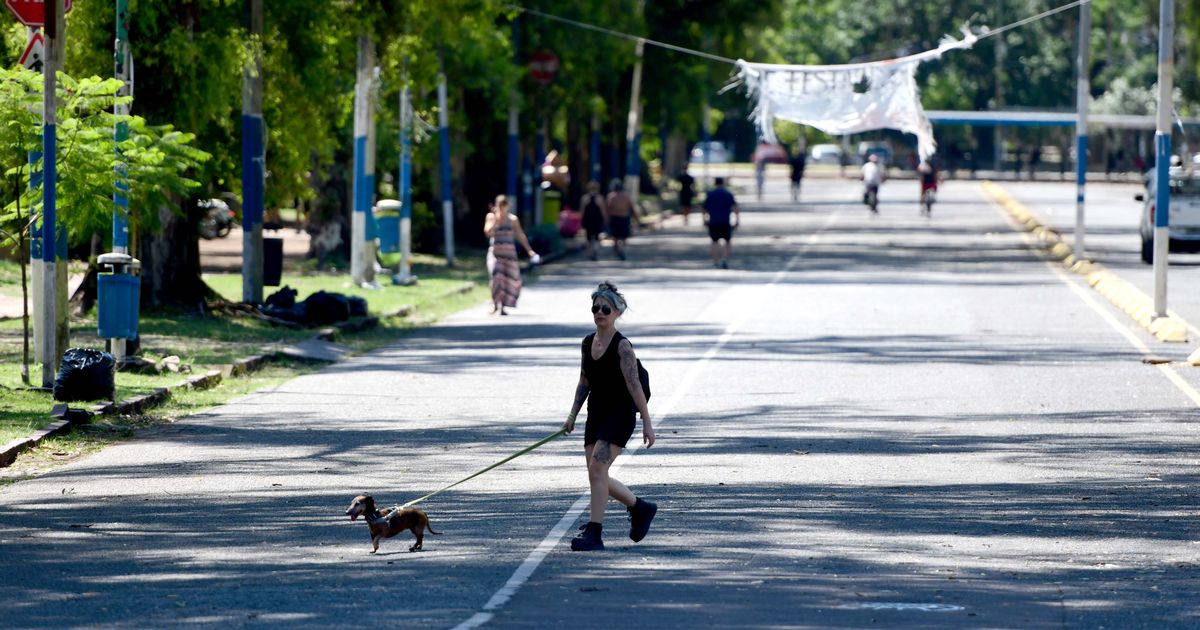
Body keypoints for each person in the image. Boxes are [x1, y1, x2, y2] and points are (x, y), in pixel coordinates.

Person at [562, 281, 656, 551]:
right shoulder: (587, 343)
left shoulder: (622, 346)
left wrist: (647, 423)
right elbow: (584, 381)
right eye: (596, 308)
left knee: (597, 470)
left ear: (617, 312)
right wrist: (572, 416)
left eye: (606, 309)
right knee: (596, 474)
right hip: (596, 411)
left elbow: (635, 385)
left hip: (620, 413)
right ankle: (640, 507)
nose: (600, 313)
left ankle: (595, 533)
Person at [483, 195, 537, 315]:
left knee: (508, 280)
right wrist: (496, 220)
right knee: (496, 278)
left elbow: (520, 235)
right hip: (495, 254)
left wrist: (529, 250)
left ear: (508, 206)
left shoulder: (513, 219)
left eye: (504, 206)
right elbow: (487, 232)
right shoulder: (491, 217)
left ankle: (503, 306)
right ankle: (494, 303)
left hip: (510, 255)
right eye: (500, 206)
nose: (502, 209)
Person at [703, 176, 740, 269]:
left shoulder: (710, 194)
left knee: (714, 241)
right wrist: (737, 220)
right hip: (725, 221)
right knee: (727, 241)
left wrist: (704, 220)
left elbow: (704, 209)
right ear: (723, 183)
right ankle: (725, 259)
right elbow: (735, 208)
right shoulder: (728, 194)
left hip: (713, 221)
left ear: (715, 183)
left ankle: (716, 261)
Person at [605, 179, 637, 261]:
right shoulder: (626, 196)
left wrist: (606, 219)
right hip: (624, 218)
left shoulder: (611, 196)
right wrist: (637, 218)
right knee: (624, 236)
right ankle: (620, 248)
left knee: (615, 236)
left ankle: (617, 249)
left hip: (614, 218)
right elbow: (632, 208)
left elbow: (607, 209)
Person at [580, 180, 608, 261]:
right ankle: (595, 250)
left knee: (588, 237)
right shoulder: (600, 198)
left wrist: (581, 220)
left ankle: (590, 252)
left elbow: (582, 211)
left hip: (588, 220)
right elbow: (603, 210)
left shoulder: (585, 198)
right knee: (596, 236)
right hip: (597, 220)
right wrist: (605, 219)